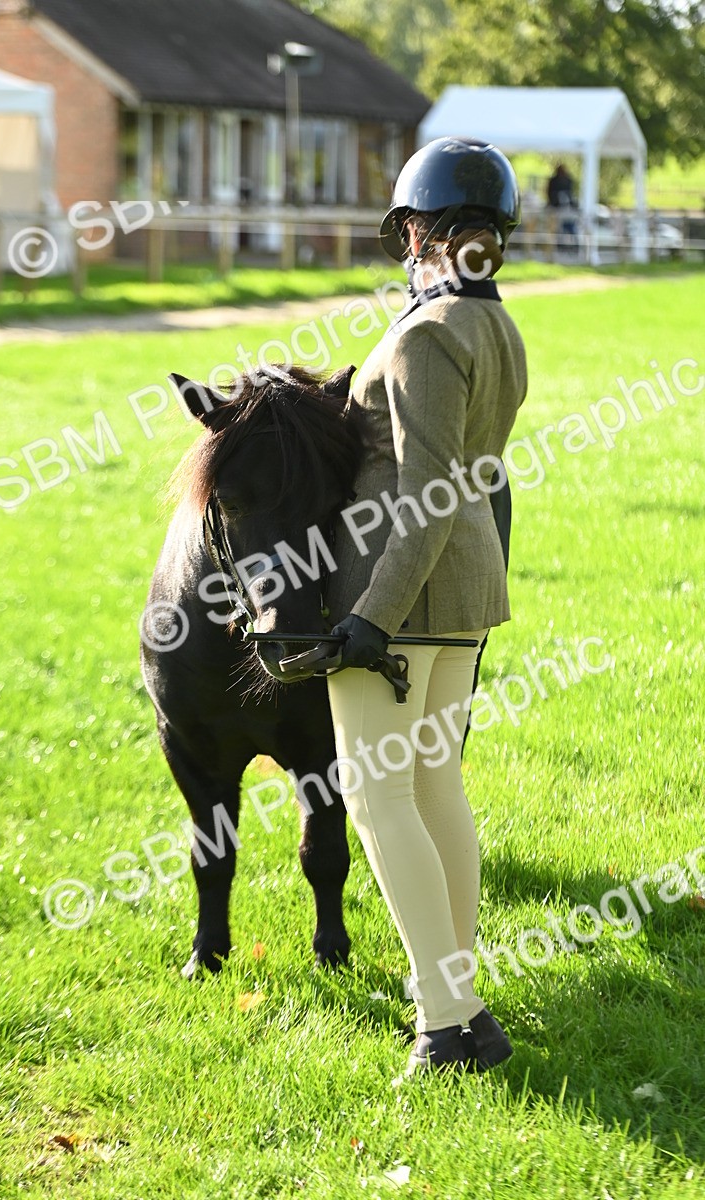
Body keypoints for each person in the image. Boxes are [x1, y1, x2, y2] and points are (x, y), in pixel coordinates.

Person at [324, 136, 528, 1074]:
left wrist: (372, 613)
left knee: (377, 796)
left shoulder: (422, 334)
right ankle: (461, 1004)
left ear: (417, 231)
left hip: (405, 592)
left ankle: (446, 1023)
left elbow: (429, 488)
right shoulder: (499, 327)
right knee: (436, 787)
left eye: (407, 229)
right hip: (469, 587)